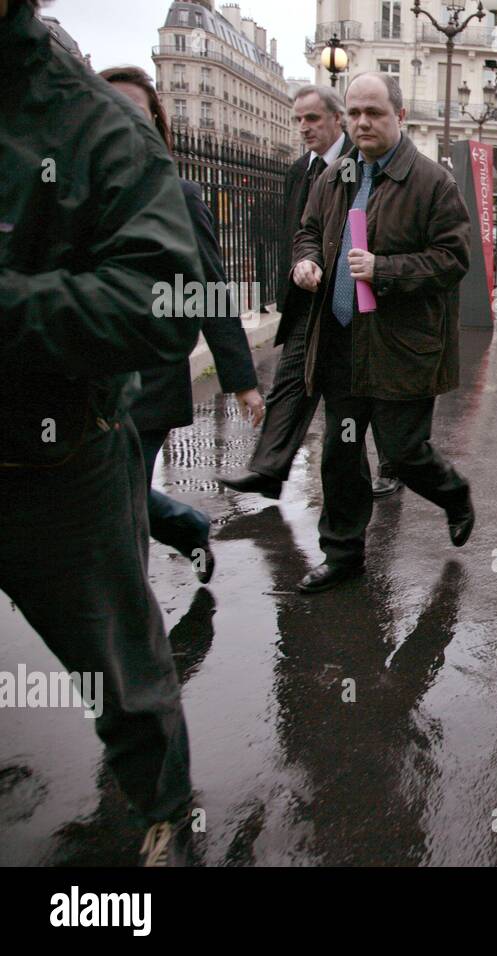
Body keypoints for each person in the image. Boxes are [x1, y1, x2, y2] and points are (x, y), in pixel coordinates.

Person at [0, 0, 201, 865]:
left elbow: (168, 300)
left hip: (53, 458)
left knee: (119, 665)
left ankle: (167, 809)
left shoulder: (91, 125)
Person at [290, 72, 475, 593]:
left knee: (403, 452)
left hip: (401, 348)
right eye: (354, 113)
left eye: (374, 112)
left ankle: (453, 493)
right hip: (343, 343)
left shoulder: (430, 181)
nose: (362, 122)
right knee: (341, 455)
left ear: (400, 117)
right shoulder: (336, 175)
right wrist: (305, 261)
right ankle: (343, 554)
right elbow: (308, 230)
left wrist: (385, 269)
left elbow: (453, 258)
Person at [101, 66, 264, 584]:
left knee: (116, 508)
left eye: (136, 110)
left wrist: (241, 380)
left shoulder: (179, 195)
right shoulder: (72, 190)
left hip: (147, 381)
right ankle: (183, 524)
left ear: (155, 122)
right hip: (84, 378)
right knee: (108, 496)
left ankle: (130, 639)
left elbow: (210, 290)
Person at [219, 85, 402, 501]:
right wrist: (300, 265)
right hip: (311, 300)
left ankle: (392, 465)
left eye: (312, 119)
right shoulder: (299, 169)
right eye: (298, 119)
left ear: (338, 119)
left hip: (362, 301)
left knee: (363, 394)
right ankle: (268, 468)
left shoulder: (364, 161)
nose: (304, 127)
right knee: (290, 380)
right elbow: (300, 233)